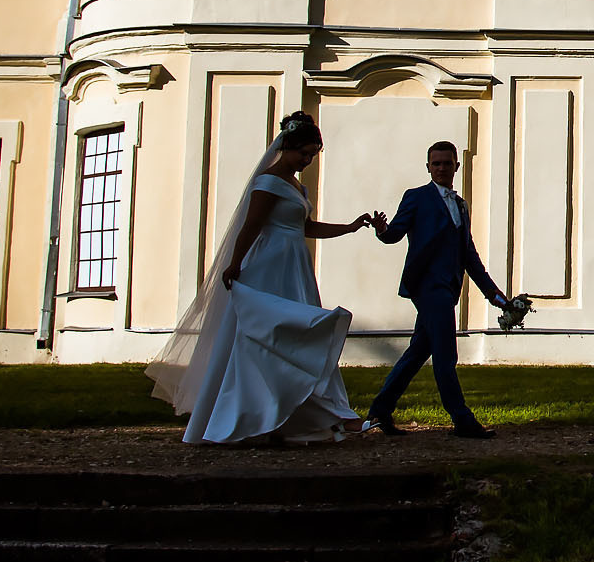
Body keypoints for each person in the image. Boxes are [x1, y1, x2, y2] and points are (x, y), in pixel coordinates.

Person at [145, 112, 381, 445]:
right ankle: (250, 416)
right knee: (262, 335)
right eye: (304, 153)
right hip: (269, 264)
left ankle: (306, 417)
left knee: (298, 336)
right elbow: (251, 226)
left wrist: (351, 227)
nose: (308, 160)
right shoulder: (268, 182)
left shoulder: (298, 187)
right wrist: (235, 263)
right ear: (287, 147)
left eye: (313, 155)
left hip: (294, 263)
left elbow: (307, 228)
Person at [363, 139, 526, 438]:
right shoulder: (416, 197)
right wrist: (382, 229)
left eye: (446, 163)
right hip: (427, 288)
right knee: (446, 355)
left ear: (456, 166)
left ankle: (380, 410)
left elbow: (470, 258)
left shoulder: (461, 205)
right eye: (435, 164)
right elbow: (394, 235)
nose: (441, 168)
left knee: (417, 352)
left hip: (448, 289)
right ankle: (462, 419)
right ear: (428, 167)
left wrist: (499, 299)